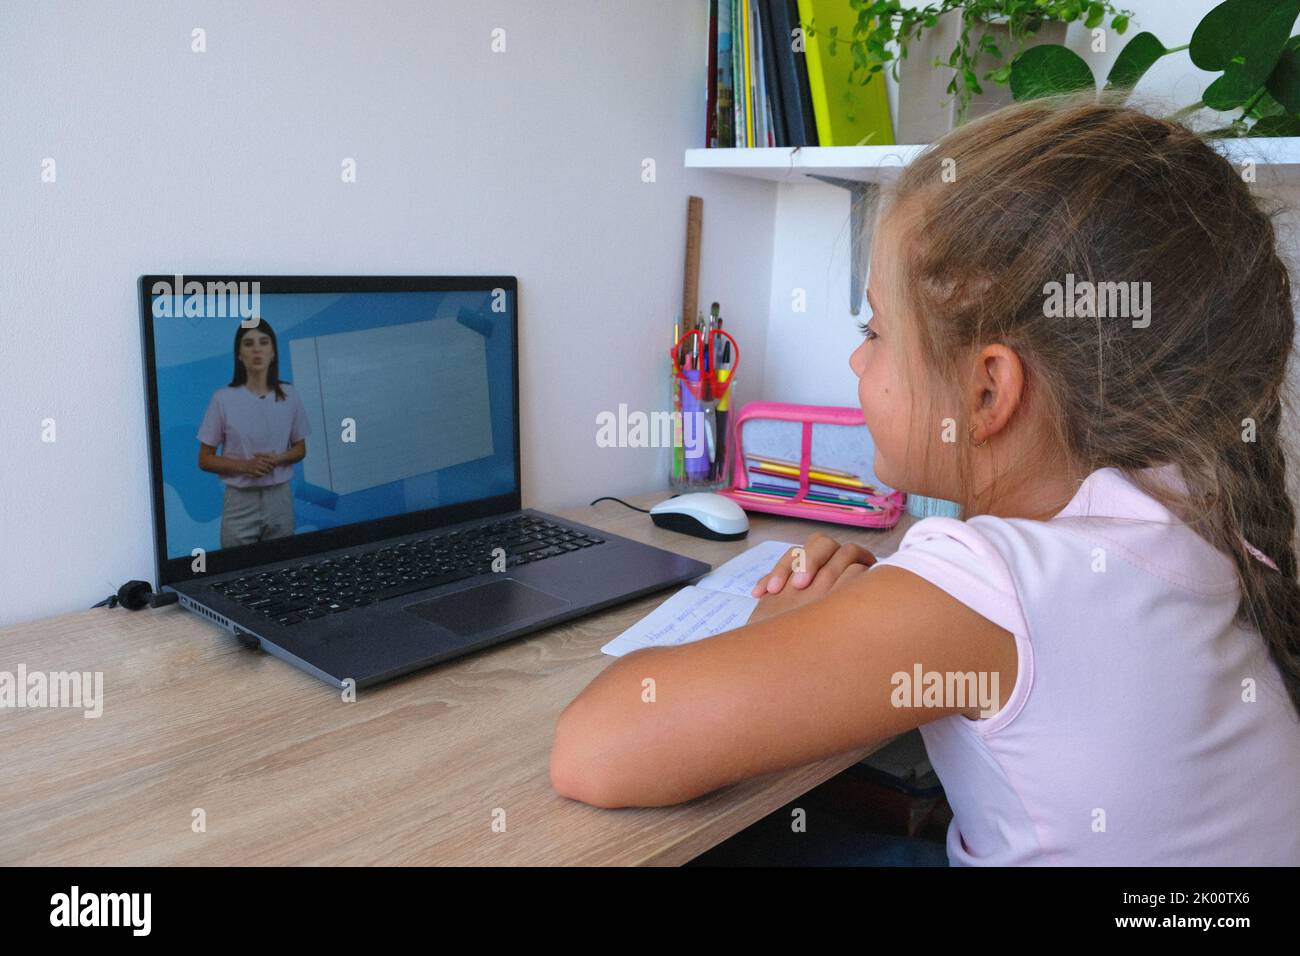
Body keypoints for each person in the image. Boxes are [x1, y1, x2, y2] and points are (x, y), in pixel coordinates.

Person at [550, 96, 1300, 866]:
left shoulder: (990, 583)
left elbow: (594, 749)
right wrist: (870, 623)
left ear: (987, 392)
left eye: (873, 331)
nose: (856, 361)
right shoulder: (1192, 514)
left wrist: (777, 632)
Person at [197, 319, 310, 549]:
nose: (257, 349)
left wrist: (278, 459)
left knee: (282, 569)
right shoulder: (223, 399)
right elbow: (205, 458)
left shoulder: (289, 395)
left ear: (273, 351)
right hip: (240, 500)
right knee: (235, 572)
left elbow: (300, 448)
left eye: (264, 342)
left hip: (280, 498)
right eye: (248, 343)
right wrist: (245, 467)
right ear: (239, 353)